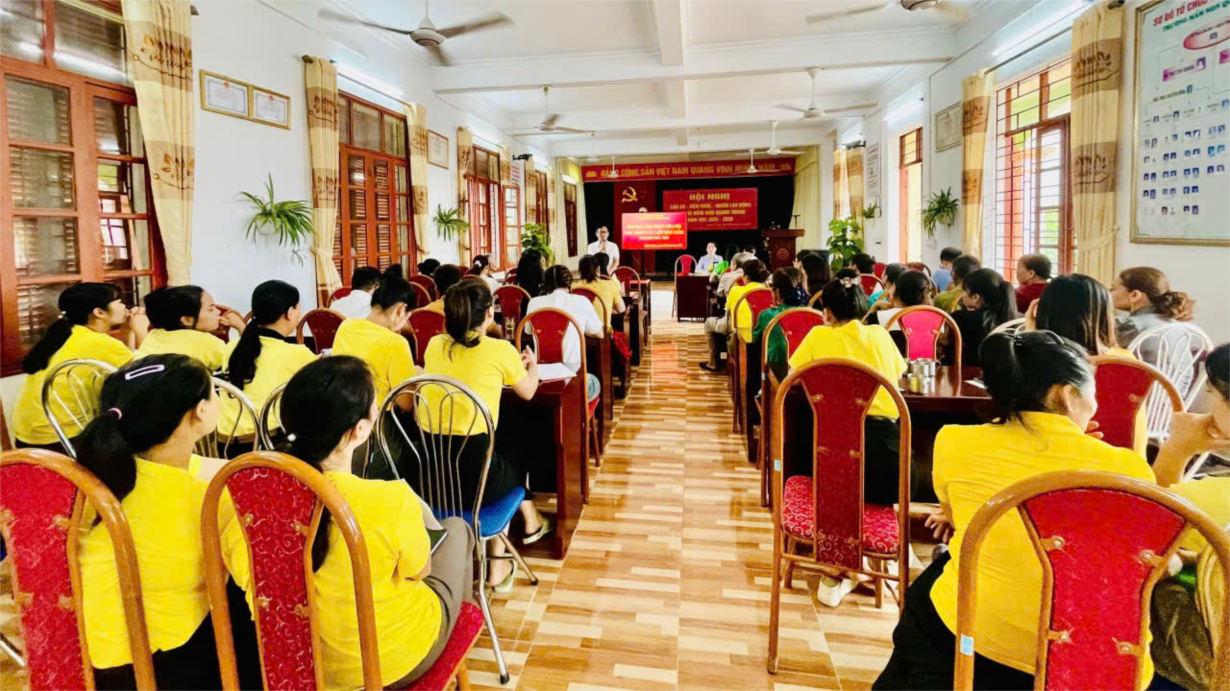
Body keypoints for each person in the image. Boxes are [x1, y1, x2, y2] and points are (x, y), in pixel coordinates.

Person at [872, 331, 1155, 691]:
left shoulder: (954, 443)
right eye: (1093, 392)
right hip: (1092, 659)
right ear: (1067, 395)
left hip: (978, 635)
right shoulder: (1126, 470)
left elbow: (961, 520)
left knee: (929, 591)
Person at [222, 356, 474, 689]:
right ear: (360, 429)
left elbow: (246, 577)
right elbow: (420, 571)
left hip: (297, 669)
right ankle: (455, 646)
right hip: (392, 664)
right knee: (457, 529)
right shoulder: (389, 499)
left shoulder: (246, 503)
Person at [75, 354, 253, 691]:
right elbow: (257, 584)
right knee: (243, 598)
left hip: (89, 661)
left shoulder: (90, 479)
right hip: (164, 667)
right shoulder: (211, 499)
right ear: (200, 411)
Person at [787, 275, 912, 606]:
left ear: (826, 312)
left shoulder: (817, 336)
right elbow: (899, 374)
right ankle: (865, 559)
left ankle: (843, 566)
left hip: (830, 464)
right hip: (889, 467)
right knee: (866, 488)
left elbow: (794, 376)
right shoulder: (880, 335)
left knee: (828, 470)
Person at [419, 280, 551, 592]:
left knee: (502, 449)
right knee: (519, 452)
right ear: (489, 313)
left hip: (433, 480)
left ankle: (530, 519)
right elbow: (528, 392)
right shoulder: (501, 349)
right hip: (478, 483)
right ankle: (499, 562)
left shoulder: (434, 345)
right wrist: (532, 367)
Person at [13, 283, 146, 450]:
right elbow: (152, 373)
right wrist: (141, 330)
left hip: (29, 437)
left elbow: (127, 368)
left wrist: (128, 331)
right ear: (99, 312)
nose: (125, 306)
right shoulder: (98, 342)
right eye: (119, 302)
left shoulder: (68, 332)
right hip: (63, 441)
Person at [1029, 274, 1147, 457]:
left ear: (1044, 311)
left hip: (1062, 463)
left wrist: (1031, 332)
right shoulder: (1126, 360)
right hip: (1126, 463)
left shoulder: (1041, 362)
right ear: (1106, 315)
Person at [219, 280, 316, 438]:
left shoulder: (232, 347)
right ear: (290, 313)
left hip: (225, 442)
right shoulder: (296, 354)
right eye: (299, 307)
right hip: (268, 442)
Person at [331, 277, 417, 408]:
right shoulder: (396, 343)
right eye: (407, 317)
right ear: (400, 309)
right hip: (378, 416)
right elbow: (406, 403)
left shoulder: (345, 326)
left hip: (342, 409)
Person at [527, 265, 603, 403]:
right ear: (569, 282)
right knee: (595, 383)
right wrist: (580, 328)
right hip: (572, 373)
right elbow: (599, 334)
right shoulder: (581, 301)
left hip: (540, 373)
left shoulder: (533, 303)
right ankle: (577, 409)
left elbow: (527, 330)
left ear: (546, 283)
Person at [136, 285, 243, 371]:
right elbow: (244, 363)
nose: (218, 312)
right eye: (211, 309)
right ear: (187, 320)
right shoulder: (204, 341)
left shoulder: (154, 334)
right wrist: (240, 326)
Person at [702, 259, 770, 373]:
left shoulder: (736, 290)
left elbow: (728, 310)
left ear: (746, 277)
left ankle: (713, 363)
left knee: (709, 324)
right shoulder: (770, 291)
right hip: (764, 336)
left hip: (740, 336)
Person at [1111, 266, 1196, 348]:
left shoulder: (1132, 325)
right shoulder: (1174, 323)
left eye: (1113, 288)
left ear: (1134, 295)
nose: (1109, 292)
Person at [752, 268, 810, 382]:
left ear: (777, 292)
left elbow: (755, 339)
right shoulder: (813, 314)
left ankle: (758, 388)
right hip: (806, 370)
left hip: (779, 370)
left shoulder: (766, 315)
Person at [951, 268, 1015, 366]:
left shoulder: (960, 318)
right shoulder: (1018, 319)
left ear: (975, 297)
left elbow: (950, 351)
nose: (962, 295)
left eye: (964, 291)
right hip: (1011, 372)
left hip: (973, 372)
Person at [865, 269, 932, 332]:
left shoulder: (879, 317)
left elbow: (862, 332)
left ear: (895, 292)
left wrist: (875, 306)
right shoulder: (934, 317)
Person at [575, 254, 626, 332]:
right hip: (602, 331)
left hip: (579, 331)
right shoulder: (610, 284)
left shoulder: (573, 286)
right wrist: (607, 309)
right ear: (598, 269)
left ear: (579, 271)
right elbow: (621, 309)